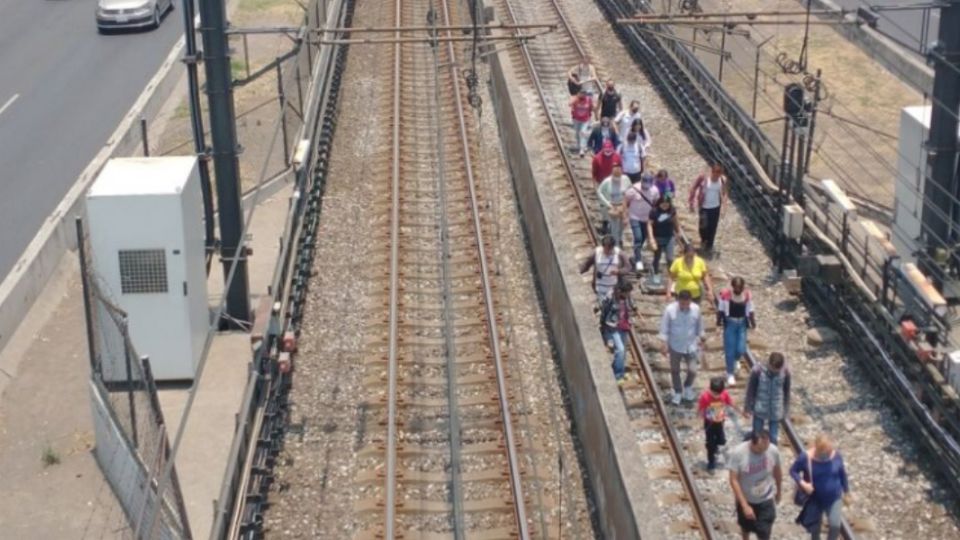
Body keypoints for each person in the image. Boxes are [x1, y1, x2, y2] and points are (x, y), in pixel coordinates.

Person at [791, 434, 850, 540]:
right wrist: (803, 483)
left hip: (834, 497)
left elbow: (842, 474)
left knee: (835, 525)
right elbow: (793, 471)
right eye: (826, 451)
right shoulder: (806, 457)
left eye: (830, 450)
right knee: (815, 528)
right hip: (815, 499)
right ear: (818, 448)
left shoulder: (836, 456)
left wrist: (846, 491)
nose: (829, 453)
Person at [729, 429, 783, 540]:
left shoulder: (773, 450)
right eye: (759, 449)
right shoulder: (739, 453)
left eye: (765, 448)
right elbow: (733, 479)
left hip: (766, 498)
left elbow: (777, 471)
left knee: (764, 531)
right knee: (746, 526)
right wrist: (744, 506)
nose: (763, 451)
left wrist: (779, 490)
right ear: (752, 443)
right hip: (747, 499)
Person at [659, 290, 705, 405]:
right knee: (675, 370)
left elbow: (700, 326)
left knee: (692, 370)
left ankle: (688, 386)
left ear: (690, 301)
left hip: (691, 345)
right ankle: (678, 391)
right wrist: (663, 343)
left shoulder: (696, 309)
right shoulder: (670, 310)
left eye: (687, 304)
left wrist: (702, 339)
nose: (685, 306)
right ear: (678, 300)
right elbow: (664, 327)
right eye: (682, 304)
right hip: (675, 345)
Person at [744, 352, 792, 446]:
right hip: (760, 407)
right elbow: (751, 390)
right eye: (773, 369)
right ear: (769, 364)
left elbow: (787, 392)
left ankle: (770, 456)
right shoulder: (758, 370)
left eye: (777, 370)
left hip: (776, 409)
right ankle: (757, 453)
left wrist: (786, 410)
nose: (775, 372)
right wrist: (747, 408)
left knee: (773, 438)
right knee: (757, 434)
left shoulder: (785, 372)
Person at [718, 277, 757, 385]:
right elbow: (721, 310)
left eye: (740, 287)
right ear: (733, 286)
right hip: (730, 323)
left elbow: (751, 310)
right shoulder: (726, 295)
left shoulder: (747, 295)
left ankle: (736, 360)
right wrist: (718, 323)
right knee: (729, 349)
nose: (738, 289)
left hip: (742, 324)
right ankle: (730, 373)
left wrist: (753, 323)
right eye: (736, 287)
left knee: (741, 348)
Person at [698, 376, 739, 471]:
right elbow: (701, 408)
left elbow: (731, 403)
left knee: (722, 441)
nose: (716, 396)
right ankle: (711, 461)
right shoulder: (705, 396)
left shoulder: (724, 395)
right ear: (710, 389)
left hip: (720, 421)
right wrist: (699, 417)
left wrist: (741, 411)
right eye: (714, 393)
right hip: (709, 422)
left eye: (718, 394)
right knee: (710, 443)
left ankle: (714, 445)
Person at [600, 281, 637, 385]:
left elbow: (632, 305)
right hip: (613, 327)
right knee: (620, 350)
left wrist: (635, 311)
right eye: (627, 293)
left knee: (623, 351)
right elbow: (604, 310)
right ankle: (617, 374)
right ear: (621, 291)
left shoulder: (627, 297)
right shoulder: (611, 297)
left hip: (624, 326)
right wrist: (603, 329)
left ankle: (618, 370)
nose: (628, 295)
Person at [688, 163, 728, 254]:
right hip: (704, 207)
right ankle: (703, 240)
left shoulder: (722, 180)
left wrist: (724, 207)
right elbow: (693, 188)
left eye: (719, 173)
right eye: (715, 172)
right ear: (712, 171)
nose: (717, 175)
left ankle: (709, 245)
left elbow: (724, 193)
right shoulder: (704, 179)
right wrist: (691, 203)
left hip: (715, 207)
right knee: (703, 226)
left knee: (713, 227)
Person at [624, 173, 659, 272]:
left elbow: (656, 202)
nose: (646, 185)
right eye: (645, 183)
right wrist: (625, 216)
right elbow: (625, 201)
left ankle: (636, 254)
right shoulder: (634, 189)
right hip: (635, 216)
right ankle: (638, 261)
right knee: (638, 237)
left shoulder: (655, 190)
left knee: (642, 238)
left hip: (647, 219)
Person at [580, 234, 629, 303]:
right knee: (604, 309)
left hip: (614, 289)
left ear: (613, 247)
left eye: (609, 249)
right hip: (600, 287)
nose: (607, 252)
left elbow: (628, 267)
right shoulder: (597, 252)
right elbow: (586, 264)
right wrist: (577, 273)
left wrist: (619, 271)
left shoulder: (619, 254)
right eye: (605, 249)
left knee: (613, 309)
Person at [647, 193, 680, 281]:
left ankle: (671, 277)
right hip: (657, 237)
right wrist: (651, 238)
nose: (665, 205)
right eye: (663, 203)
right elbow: (649, 224)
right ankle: (655, 275)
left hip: (669, 237)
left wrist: (678, 232)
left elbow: (675, 221)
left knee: (670, 258)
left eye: (667, 203)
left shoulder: (672, 211)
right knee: (657, 257)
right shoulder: (654, 211)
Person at [597, 164, 631, 245]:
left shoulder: (626, 179)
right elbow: (599, 192)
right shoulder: (607, 181)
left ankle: (619, 238)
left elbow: (630, 189)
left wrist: (629, 202)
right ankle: (616, 245)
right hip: (613, 206)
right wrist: (606, 203)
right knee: (614, 227)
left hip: (623, 206)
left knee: (622, 226)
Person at [569, 89, 594, 157]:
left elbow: (592, 107)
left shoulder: (588, 99)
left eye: (584, 93)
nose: (582, 95)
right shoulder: (576, 98)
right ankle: (578, 145)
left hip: (585, 120)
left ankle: (582, 149)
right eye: (581, 93)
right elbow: (569, 104)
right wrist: (576, 98)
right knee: (577, 133)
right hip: (576, 119)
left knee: (583, 132)